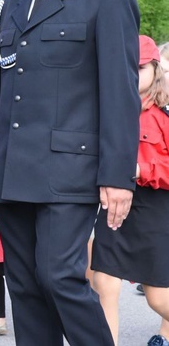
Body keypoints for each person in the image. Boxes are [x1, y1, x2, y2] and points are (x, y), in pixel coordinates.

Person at [0, 0, 141, 346]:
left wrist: (118, 176)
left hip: (69, 169)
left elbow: (121, 94)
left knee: (60, 278)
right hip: (11, 169)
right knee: (23, 286)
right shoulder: (11, 4)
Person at [92, 35, 169, 346]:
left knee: (158, 298)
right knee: (103, 283)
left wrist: (142, 170)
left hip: (153, 212)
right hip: (112, 207)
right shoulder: (104, 110)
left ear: (155, 69)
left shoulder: (164, 117)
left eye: (139, 67)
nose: (131, 73)